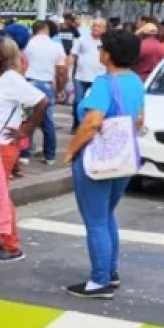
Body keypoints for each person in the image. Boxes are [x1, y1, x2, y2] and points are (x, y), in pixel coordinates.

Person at [61, 29, 146, 299]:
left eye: (101, 49)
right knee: (107, 215)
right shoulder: (135, 81)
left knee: (95, 221)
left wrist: (70, 151)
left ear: (108, 54)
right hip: (123, 158)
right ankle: (110, 271)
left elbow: (92, 122)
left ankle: (99, 281)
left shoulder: (104, 84)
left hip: (96, 160)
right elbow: (140, 120)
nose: (99, 52)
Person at [0, 37, 48, 262]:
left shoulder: (12, 80)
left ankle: (11, 245)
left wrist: (25, 130)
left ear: (0, 56)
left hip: (3, 145)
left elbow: (41, 102)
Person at [22, 20, 67, 165]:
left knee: (27, 119)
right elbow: (61, 71)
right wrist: (60, 89)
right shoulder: (56, 46)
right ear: (46, 29)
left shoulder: (27, 45)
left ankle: (24, 154)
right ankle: (50, 156)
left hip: (28, 83)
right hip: (47, 84)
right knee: (48, 121)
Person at [69, 18, 106, 132]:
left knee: (95, 103)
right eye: (94, 25)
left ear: (104, 29)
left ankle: (92, 125)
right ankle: (77, 124)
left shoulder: (106, 42)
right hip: (81, 76)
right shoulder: (81, 39)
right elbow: (73, 55)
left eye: (99, 26)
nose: (96, 28)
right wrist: (69, 71)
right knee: (78, 101)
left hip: (99, 77)